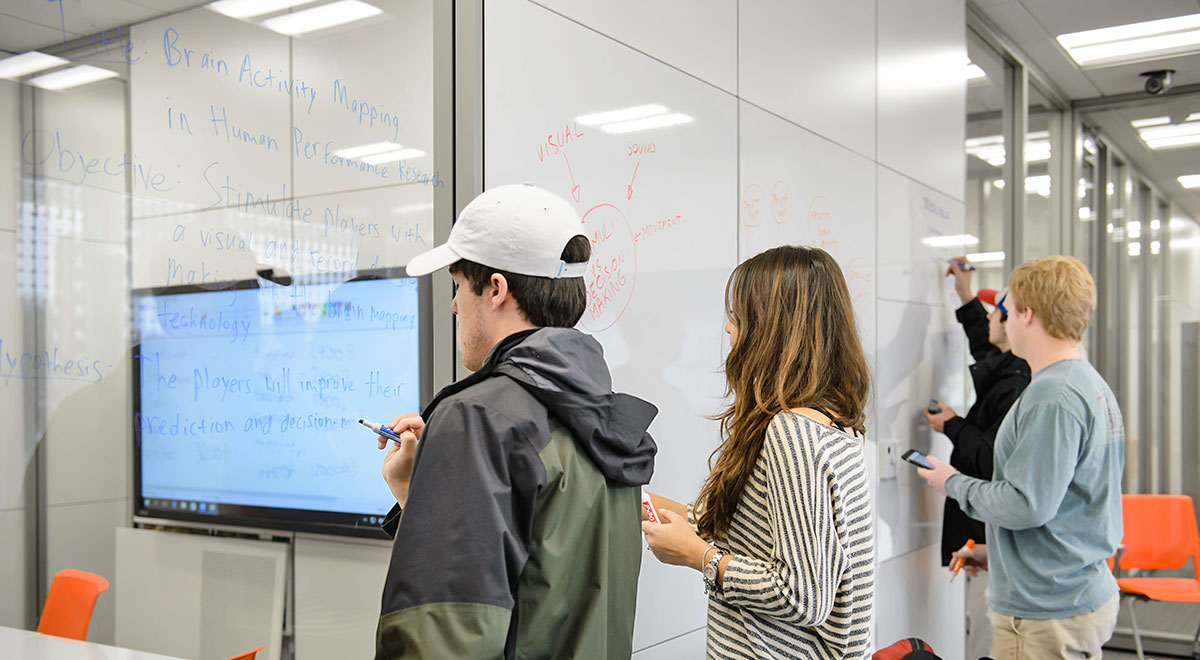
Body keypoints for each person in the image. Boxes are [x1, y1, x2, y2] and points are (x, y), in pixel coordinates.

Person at [372, 183, 658, 660]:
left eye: (459, 287)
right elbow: (540, 585)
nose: (454, 306)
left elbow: (443, 636)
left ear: (497, 289)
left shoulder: (478, 418)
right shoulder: (601, 417)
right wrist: (420, 495)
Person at [642, 245, 874, 659]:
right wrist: (628, 499)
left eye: (738, 316)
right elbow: (754, 534)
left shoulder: (795, 433)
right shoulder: (831, 422)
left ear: (772, 329)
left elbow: (804, 595)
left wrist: (699, 556)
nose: (728, 329)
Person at [918, 255, 1124, 660]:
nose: (1004, 321)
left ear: (1027, 315)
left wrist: (950, 482)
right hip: (1066, 592)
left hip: (1047, 614)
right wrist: (995, 554)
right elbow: (1065, 504)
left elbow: (1027, 504)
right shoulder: (1081, 382)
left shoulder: (1054, 397)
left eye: (1007, 312)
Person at [928, 259, 1031, 659]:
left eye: (996, 312)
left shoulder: (1021, 384)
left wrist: (953, 425)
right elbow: (985, 344)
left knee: (987, 635)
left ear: (1018, 322)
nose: (988, 317)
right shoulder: (1010, 369)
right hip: (991, 538)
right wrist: (965, 294)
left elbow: (988, 458)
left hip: (994, 526)